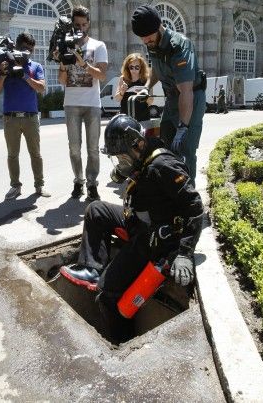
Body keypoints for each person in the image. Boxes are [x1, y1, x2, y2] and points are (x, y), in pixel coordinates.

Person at [60, 114, 203, 344]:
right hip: (137, 220)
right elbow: (142, 176)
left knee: (106, 294)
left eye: (122, 157)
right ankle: (91, 267)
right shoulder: (143, 157)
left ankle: (122, 342)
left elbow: (195, 208)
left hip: (152, 241)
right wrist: (127, 170)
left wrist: (185, 253)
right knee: (96, 210)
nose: (120, 162)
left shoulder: (163, 166)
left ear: (137, 145)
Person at [131, 4, 206, 184]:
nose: (146, 43)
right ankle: (171, 192)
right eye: (143, 40)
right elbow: (156, 69)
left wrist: (183, 127)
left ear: (158, 28)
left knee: (186, 150)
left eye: (148, 39)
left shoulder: (180, 46)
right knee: (165, 145)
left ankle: (189, 197)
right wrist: (147, 86)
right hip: (173, 99)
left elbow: (186, 91)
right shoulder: (153, 43)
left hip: (191, 99)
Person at [0, 32, 51, 199]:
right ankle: (15, 186)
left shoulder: (35, 66)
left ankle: (39, 186)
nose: (27, 52)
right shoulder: (5, 64)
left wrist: (24, 75)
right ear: (16, 46)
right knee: (12, 154)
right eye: (24, 48)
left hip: (31, 117)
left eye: (30, 50)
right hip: (10, 117)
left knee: (36, 154)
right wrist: (3, 73)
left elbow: (41, 88)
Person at [58, 5, 108, 201]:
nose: (80, 27)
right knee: (74, 148)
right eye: (77, 24)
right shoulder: (65, 45)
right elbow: (63, 81)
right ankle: (78, 181)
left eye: (84, 24)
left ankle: (92, 184)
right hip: (71, 103)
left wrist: (83, 63)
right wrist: (63, 65)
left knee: (93, 148)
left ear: (89, 24)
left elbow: (102, 76)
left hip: (92, 104)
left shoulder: (98, 46)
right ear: (72, 24)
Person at [114, 53, 152, 121]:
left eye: (137, 67)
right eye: (131, 67)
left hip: (143, 117)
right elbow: (117, 98)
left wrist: (144, 94)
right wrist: (122, 92)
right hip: (126, 117)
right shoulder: (123, 79)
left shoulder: (146, 80)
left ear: (141, 67)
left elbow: (151, 102)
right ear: (127, 67)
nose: (134, 70)